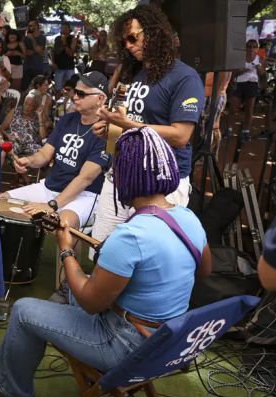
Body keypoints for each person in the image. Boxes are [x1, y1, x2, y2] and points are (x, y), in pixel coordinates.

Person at [0, 126, 212, 397]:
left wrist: (66, 250)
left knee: (25, 310)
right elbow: (204, 271)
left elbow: (90, 303)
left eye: (116, 170)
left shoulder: (131, 235)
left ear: (128, 175)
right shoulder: (187, 217)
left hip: (127, 344)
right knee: (69, 292)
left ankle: (8, 392)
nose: (114, 176)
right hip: (168, 340)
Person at [90, 4, 205, 246]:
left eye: (133, 37)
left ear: (154, 33)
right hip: (121, 176)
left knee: (147, 258)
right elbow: (131, 123)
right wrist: (109, 130)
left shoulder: (185, 77)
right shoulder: (134, 74)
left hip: (161, 183)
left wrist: (128, 124)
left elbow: (181, 135)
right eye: (124, 42)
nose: (129, 46)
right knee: (103, 249)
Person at [2, 72, 109, 230]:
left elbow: (85, 178)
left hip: (84, 195)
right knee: (0, 202)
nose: (75, 97)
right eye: (74, 91)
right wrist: (29, 161)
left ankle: (67, 254)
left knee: (64, 225)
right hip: (49, 188)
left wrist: (52, 205)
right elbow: (45, 155)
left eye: (81, 93)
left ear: (100, 99)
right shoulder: (67, 120)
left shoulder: (106, 132)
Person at [0, 75, 49, 160]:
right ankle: (20, 168)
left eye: (30, 105)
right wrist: (8, 135)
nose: (26, 107)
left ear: (36, 106)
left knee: (43, 154)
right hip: (15, 142)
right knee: (7, 150)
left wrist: (40, 117)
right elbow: (1, 128)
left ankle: (22, 170)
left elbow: (43, 137)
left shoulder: (39, 115)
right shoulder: (15, 111)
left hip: (31, 144)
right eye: (25, 103)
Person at [227, 39, 265, 140]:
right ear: (245, 48)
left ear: (257, 48)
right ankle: (229, 129)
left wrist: (259, 67)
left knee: (249, 109)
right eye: (249, 46)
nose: (251, 49)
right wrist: (242, 71)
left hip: (252, 84)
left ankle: (246, 131)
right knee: (233, 108)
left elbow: (262, 74)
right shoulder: (240, 58)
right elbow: (233, 72)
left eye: (254, 46)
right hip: (239, 83)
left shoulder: (259, 59)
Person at [52, 22, 78, 91]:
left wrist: (64, 43)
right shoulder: (57, 38)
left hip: (69, 67)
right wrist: (53, 62)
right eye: (62, 28)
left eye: (66, 28)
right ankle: (57, 101)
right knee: (58, 89)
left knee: (69, 89)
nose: (64, 30)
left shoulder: (73, 39)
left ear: (69, 29)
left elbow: (70, 54)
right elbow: (54, 52)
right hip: (59, 67)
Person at [23, 20, 48, 91]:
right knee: (26, 89)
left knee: (38, 89)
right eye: (29, 26)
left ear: (37, 26)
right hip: (27, 67)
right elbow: (25, 52)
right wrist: (37, 51)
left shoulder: (42, 38)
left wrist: (32, 39)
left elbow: (39, 51)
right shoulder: (26, 38)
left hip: (38, 67)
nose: (29, 27)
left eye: (31, 25)